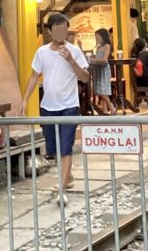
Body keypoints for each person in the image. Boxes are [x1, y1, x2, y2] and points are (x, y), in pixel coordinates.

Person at [18, 13, 89, 203]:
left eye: (64, 29)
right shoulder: (42, 52)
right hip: (48, 106)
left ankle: (62, 186)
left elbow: (85, 77)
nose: (61, 33)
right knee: (54, 148)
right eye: (57, 29)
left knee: (66, 147)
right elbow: (34, 76)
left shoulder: (74, 51)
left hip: (69, 106)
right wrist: (25, 99)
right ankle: (68, 176)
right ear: (49, 31)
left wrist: (71, 61)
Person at [89, 28, 114, 115]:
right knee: (99, 88)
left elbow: (104, 59)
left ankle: (110, 106)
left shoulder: (107, 46)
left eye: (98, 37)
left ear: (103, 37)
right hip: (97, 69)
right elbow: (97, 58)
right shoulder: (98, 47)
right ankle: (105, 110)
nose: (97, 39)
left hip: (104, 70)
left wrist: (93, 60)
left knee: (102, 90)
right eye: (96, 37)